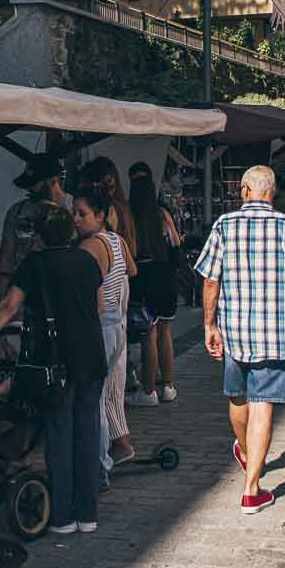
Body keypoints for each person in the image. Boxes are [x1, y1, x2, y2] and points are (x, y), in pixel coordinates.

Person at [0, 206, 107, 534]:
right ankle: (87, 514)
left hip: (56, 363)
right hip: (91, 355)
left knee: (60, 436)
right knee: (87, 434)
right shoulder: (87, 261)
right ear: (70, 233)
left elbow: (8, 307)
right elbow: (99, 305)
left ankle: (62, 517)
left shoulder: (35, 264)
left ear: (40, 236)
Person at [195, 166, 285, 515]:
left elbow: (210, 280)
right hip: (275, 331)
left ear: (246, 190)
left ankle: (247, 452)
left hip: (234, 329)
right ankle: (252, 489)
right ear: (273, 191)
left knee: (238, 396)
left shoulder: (224, 225)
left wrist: (209, 324)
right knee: (262, 402)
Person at [73, 189, 137, 484]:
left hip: (100, 326)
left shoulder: (90, 248)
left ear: (99, 216)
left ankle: (99, 466)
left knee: (93, 399)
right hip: (117, 326)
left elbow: (91, 296)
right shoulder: (117, 240)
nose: (75, 219)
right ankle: (108, 456)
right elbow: (131, 270)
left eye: (81, 213)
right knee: (106, 394)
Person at [126, 162, 182, 407]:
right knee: (165, 332)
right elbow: (177, 246)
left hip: (143, 276)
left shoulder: (129, 214)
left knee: (149, 334)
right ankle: (168, 386)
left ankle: (148, 391)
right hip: (166, 275)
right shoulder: (162, 214)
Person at [0, 157, 68, 288]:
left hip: (60, 287)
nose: (30, 189)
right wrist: (2, 295)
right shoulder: (17, 211)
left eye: (34, 184)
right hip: (26, 287)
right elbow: (7, 258)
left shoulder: (75, 209)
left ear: (52, 181)